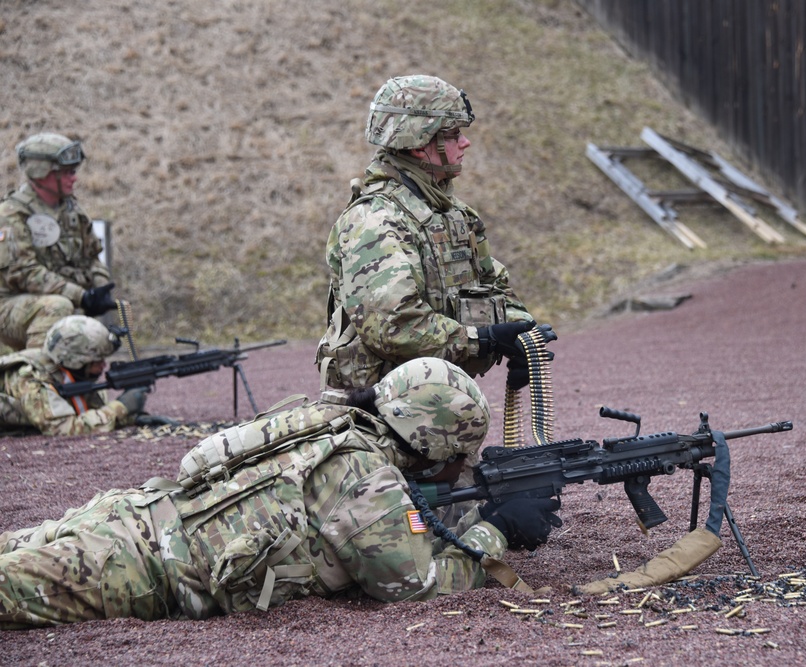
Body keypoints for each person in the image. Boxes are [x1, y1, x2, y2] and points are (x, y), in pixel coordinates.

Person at [0, 357, 563, 629]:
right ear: (429, 444)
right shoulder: (363, 476)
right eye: (454, 457)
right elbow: (415, 587)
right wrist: (499, 529)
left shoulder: (324, 417)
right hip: (137, 570)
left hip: (130, 515)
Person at [316, 74, 556, 402]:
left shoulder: (451, 213)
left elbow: (491, 284)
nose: (465, 143)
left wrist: (521, 333)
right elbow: (394, 327)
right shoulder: (374, 220)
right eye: (454, 134)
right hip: (375, 414)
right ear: (418, 142)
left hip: (436, 402)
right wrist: (484, 341)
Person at [0, 132, 117, 351]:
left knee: (93, 336)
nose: (74, 178)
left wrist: (100, 288)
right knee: (57, 307)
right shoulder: (11, 214)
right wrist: (81, 296)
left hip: (62, 299)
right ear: (41, 173)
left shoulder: (72, 211)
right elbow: (24, 272)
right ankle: (35, 378)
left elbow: (92, 257)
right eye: (67, 172)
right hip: (10, 306)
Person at [0, 315, 149, 436]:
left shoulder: (63, 371)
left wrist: (132, 417)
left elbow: (89, 412)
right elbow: (65, 428)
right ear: (76, 360)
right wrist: (120, 407)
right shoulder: (31, 380)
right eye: (97, 360)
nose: (103, 365)